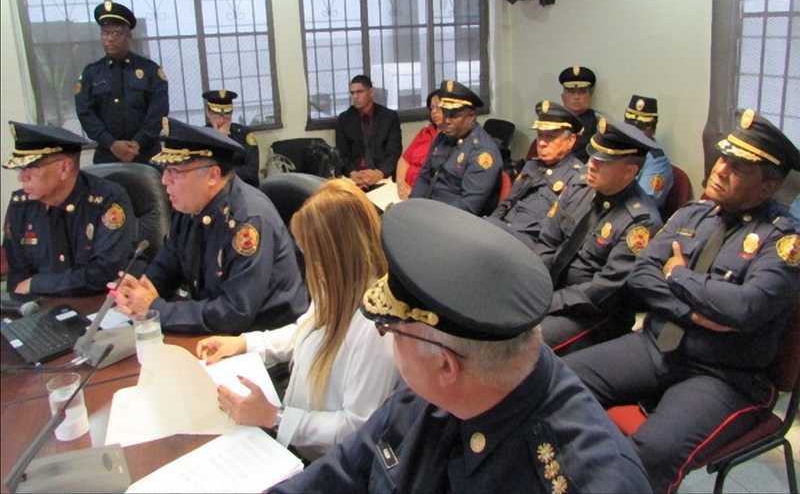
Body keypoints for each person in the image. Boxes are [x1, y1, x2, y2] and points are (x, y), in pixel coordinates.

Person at [269, 198, 652, 493]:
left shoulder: (591, 480)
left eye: (391, 331)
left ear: (445, 365)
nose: (387, 340)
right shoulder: (426, 396)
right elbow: (341, 472)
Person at [564, 109, 800, 494]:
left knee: (653, 452)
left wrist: (678, 275)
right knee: (561, 379)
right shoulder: (694, 214)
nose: (719, 169)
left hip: (723, 374)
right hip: (656, 345)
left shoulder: (783, 241)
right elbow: (641, 277)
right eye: (722, 158)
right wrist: (693, 311)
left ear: (768, 186)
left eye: (738, 167)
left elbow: (746, 308)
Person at [196, 179, 398, 461]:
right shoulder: (337, 287)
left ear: (337, 258)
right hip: (292, 436)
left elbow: (356, 427)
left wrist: (274, 417)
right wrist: (245, 344)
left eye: (311, 255)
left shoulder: (376, 328)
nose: (309, 265)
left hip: (324, 464)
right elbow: (305, 332)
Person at [112, 118, 308, 334]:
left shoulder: (247, 221)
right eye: (165, 170)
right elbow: (168, 264)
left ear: (212, 176)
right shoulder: (189, 206)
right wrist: (142, 289)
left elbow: (235, 312)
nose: (164, 180)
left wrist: (155, 308)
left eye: (175, 171)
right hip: (217, 329)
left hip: (262, 339)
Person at [530, 117, 662, 353]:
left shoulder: (640, 222)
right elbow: (548, 241)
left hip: (594, 313)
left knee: (524, 342)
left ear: (629, 172)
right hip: (553, 291)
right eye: (592, 156)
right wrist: (534, 284)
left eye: (603, 162)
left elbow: (604, 289)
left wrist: (549, 302)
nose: (591, 165)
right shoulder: (580, 186)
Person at [2, 121, 136, 296]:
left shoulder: (107, 200)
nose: (21, 177)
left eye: (30, 168)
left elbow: (105, 272)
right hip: (40, 306)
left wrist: (38, 284)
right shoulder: (21, 205)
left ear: (65, 168)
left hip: (98, 303)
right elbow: (17, 274)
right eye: (20, 168)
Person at [75, 1, 168, 165]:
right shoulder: (91, 73)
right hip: (107, 154)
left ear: (128, 35)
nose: (110, 39)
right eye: (105, 33)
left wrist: (138, 142)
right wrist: (111, 143)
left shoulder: (150, 70)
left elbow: (158, 112)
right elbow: (85, 113)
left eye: (116, 33)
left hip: (146, 154)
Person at [489, 100, 583, 247]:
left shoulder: (577, 178)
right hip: (503, 231)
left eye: (550, 137)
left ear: (570, 141)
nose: (542, 143)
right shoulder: (532, 165)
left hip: (528, 244)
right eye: (540, 135)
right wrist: (490, 225)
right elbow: (507, 204)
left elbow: (559, 236)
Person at [410, 80, 501, 215]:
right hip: (428, 208)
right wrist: (412, 207)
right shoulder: (443, 137)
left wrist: (427, 217)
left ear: (471, 116)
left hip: (453, 219)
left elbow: (468, 207)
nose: (447, 120)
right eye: (445, 113)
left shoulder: (483, 153)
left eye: (454, 115)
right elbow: (424, 176)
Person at [335, 75, 402, 189]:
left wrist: (379, 173)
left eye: (359, 92)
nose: (355, 96)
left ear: (371, 92)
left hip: (382, 176)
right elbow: (341, 154)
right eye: (352, 93)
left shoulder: (389, 117)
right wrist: (352, 173)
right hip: (354, 177)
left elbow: (394, 152)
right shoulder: (344, 119)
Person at [624, 95, 674, 209]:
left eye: (640, 127)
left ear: (652, 129)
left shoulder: (658, 162)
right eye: (629, 125)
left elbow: (642, 205)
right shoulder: (619, 145)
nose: (633, 132)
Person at [203, 89, 260, 187]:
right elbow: (203, 173)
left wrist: (221, 175)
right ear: (208, 113)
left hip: (244, 189)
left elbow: (251, 172)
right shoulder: (202, 137)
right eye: (216, 113)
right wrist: (220, 140)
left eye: (227, 113)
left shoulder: (244, 134)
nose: (222, 119)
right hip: (214, 190)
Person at [395, 90, 443, 200]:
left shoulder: (452, 138)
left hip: (424, 198)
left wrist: (414, 193)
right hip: (402, 192)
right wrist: (401, 185)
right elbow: (404, 160)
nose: (434, 111)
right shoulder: (425, 132)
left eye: (438, 107)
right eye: (432, 108)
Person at [558, 65, 597, 163]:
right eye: (571, 92)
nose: (576, 97)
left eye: (582, 92)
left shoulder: (599, 125)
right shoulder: (552, 122)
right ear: (562, 97)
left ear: (590, 96)